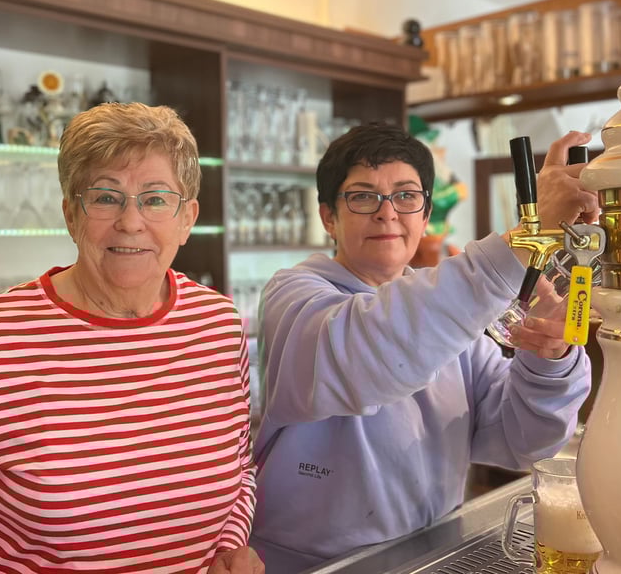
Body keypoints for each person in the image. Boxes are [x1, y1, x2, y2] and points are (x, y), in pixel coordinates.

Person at [0, 103, 263, 574]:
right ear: (70, 215)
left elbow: (240, 472)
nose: (131, 221)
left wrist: (227, 548)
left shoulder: (218, 325)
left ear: (187, 218)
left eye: (155, 199)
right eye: (105, 197)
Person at [248, 124, 595, 570]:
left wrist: (548, 359)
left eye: (406, 196)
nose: (387, 213)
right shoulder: (294, 297)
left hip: (429, 556)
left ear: (426, 214)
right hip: (310, 565)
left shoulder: (452, 317)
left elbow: (524, 441)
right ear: (328, 217)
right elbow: (372, 350)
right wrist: (526, 236)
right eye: (363, 196)